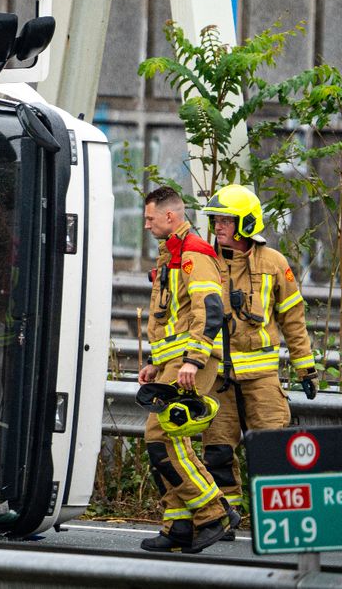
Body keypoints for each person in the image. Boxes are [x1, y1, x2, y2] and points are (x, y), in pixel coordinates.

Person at [201, 184, 318, 538]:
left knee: (271, 449)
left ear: (245, 224)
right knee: (217, 449)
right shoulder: (205, 261)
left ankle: (280, 521)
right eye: (216, 219)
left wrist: (305, 367)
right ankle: (225, 519)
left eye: (225, 220)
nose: (218, 226)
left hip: (261, 378)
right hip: (217, 376)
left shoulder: (274, 264)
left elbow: (292, 319)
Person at [138, 185, 236, 553]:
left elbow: (208, 310)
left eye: (150, 218)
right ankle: (178, 524)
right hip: (174, 364)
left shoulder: (194, 253)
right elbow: (173, 319)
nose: (146, 225)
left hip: (191, 364)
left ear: (170, 216)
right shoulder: (172, 255)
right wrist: (154, 362)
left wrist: (193, 361)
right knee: (163, 440)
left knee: (164, 437)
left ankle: (213, 513)